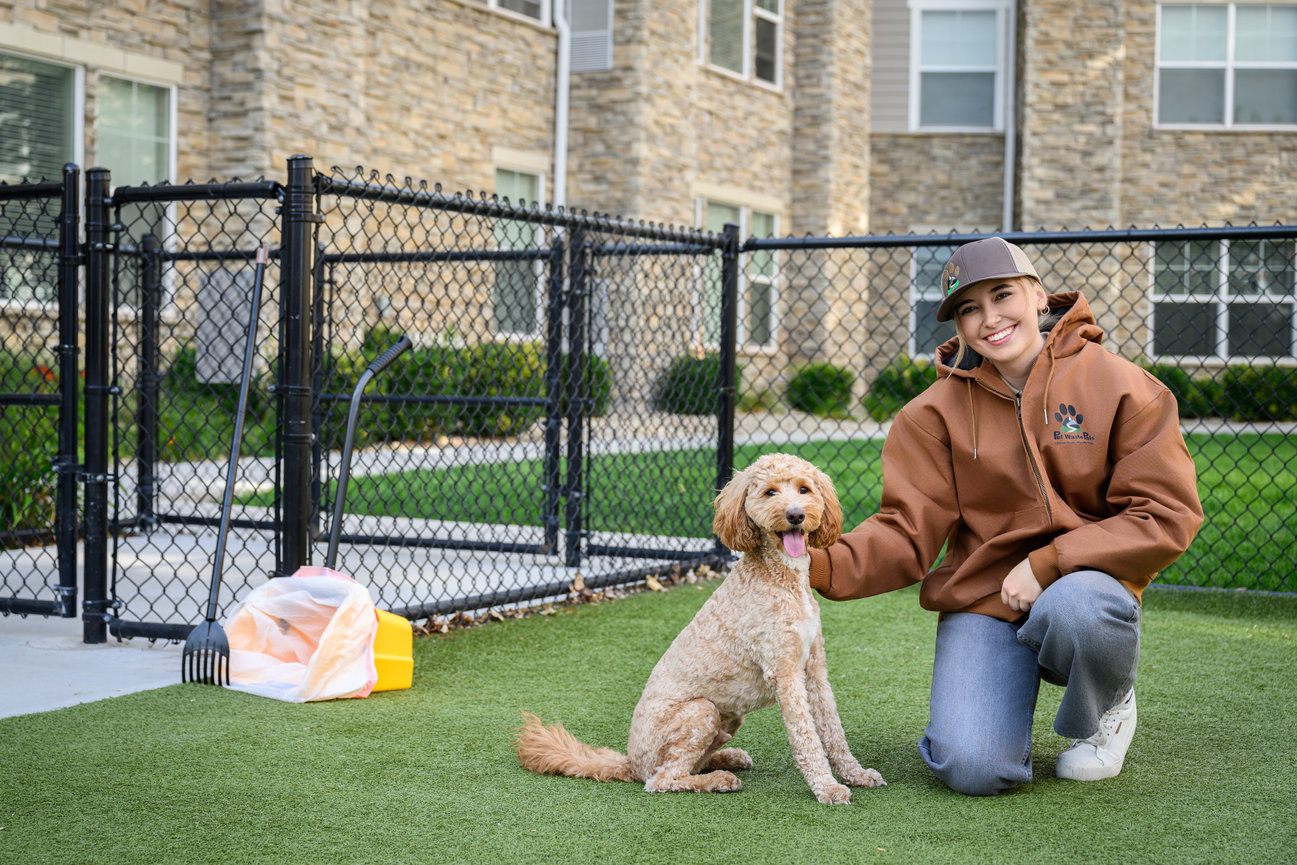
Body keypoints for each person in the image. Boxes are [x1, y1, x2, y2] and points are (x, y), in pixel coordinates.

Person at [808, 237, 1203, 795]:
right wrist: (812, 565)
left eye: (1002, 296)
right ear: (959, 325)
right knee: (971, 768)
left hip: (1084, 588)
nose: (989, 318)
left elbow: (1166, 515)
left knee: (1079, 609)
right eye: (969, 309)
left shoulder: (1123, 386)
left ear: (1038, 296)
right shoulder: (929, 417)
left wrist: (1049, 563)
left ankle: (1107, 704)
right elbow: (905, 530)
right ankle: (1002, 691)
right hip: (986, 601)